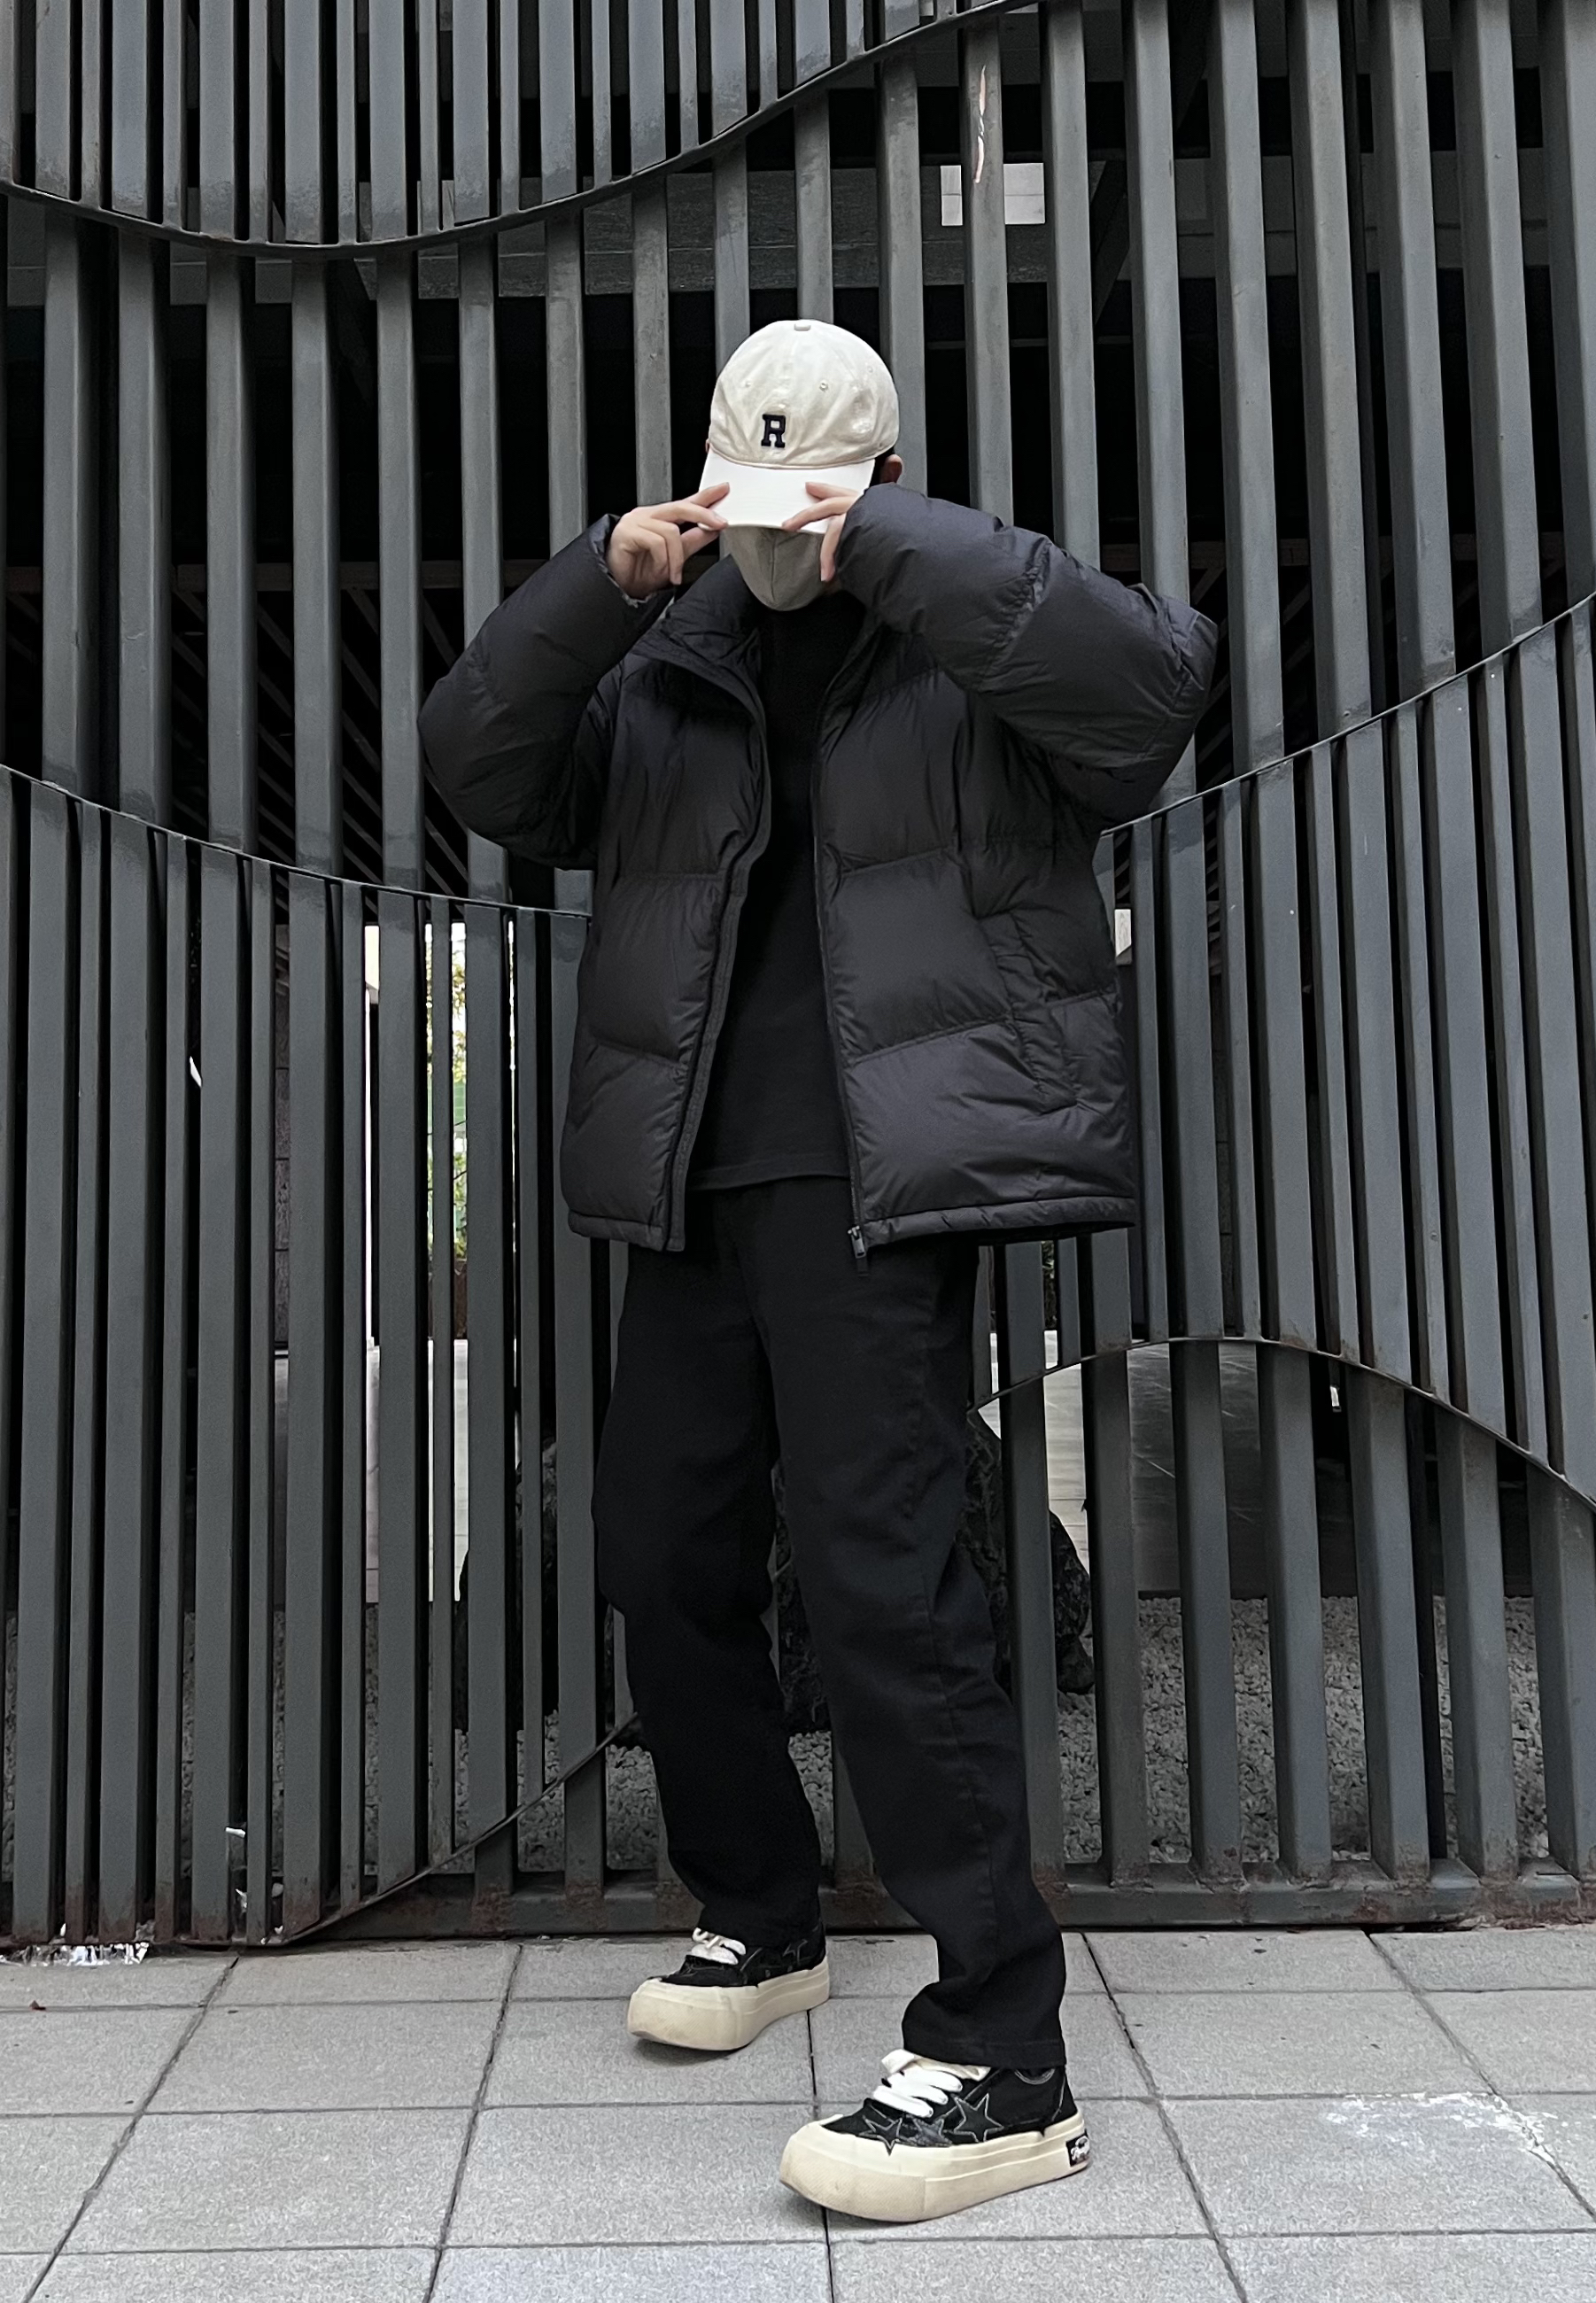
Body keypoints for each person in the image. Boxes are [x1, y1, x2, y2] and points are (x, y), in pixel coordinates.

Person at [420, 317, 1215, 2222]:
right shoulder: (668, 655)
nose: (779, 518)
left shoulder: (969, 638)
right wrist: (603, 578)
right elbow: (480, 764)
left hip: (882, 1180)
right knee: (661, 1555)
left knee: (885, 1586)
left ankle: (1003, 2053)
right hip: (692, 1177)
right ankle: (762, 1914)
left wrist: (889, 542)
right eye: (753, 477)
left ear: (882, 472)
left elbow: (1152, 692)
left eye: (818, 481)